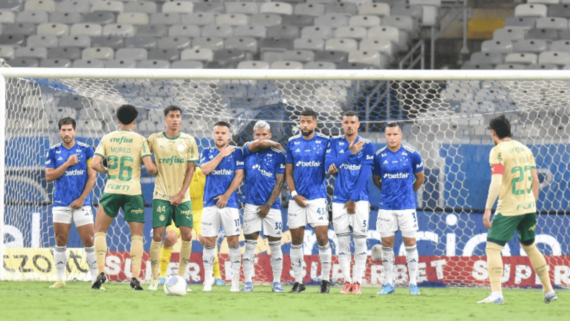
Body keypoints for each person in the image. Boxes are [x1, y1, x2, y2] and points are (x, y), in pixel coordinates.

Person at [478, 115, 557, 304]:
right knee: (530, 246)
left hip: (508, 208)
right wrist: (530, 203)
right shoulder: (525, 149)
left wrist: (488, 208)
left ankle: (496, 294)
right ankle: (549, 291)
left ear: (493, 133)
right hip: (529, 206)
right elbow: (536, 181)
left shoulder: (497, 151)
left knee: (493, 248)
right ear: (510, 131)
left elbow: (496, 181)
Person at [90, 104, 158, 290]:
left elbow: (95, 164)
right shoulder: (140, 140)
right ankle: (135, 276)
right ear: (135, 121)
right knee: (137, 236)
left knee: (100, 231)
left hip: (112, 190)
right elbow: (151, 168)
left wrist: (107, 171)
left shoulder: (107, 138)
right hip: (133, 192)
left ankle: (101, 272)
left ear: (118, 121)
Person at [147, 105, 198, 291]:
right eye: (172, 116)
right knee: (159, 236)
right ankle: (154, 278)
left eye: (178, 116)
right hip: (161, 195)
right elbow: (142, 154)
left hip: (182, 197)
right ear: (165, 119)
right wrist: (151, 167)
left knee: (187, 235)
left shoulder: (189, 140)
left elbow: (191, 169)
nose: (175, 119)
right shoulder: (154, 139)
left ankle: (182, 278)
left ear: (181, 119)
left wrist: (181, 193)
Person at [372, 122, 424, 295]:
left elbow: (420, 178)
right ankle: (388, 283)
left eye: (395, 134)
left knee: (410, 243)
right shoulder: (379, 156)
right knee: (387, 244)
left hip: (407, 207)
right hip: (386, 207)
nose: (392, 138)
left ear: (400, 135)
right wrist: (389, 193)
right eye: (389, 134)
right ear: (385, 136)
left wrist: (408, 193)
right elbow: (376, 179)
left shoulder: (412, 154)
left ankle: (413, 283)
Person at [325, 111, 374, 295]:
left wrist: (353, 198)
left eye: (352, 122)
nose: (349, 125)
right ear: (342, 123)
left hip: (359, 200)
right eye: (346, 122)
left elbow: (365, 173)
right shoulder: (334, 143)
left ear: (358, 124)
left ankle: (358, 282)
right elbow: (328, 167)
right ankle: (347, 282)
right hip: (338, 200)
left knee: (360, 241)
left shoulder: (368, 145)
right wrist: (349, 153)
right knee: (343, 242)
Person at [45, 117, 98, 288]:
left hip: (82, 203)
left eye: (70, 130)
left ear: (75, 131)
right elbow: (49, 176)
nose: (67, 133)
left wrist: (82, 199)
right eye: (63, 130)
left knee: (89, 239)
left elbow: (92, 177)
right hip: (61, 203)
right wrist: (67, 164)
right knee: (60, 239)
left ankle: (95, 279)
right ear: (59, 131)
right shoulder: (53, 151)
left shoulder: (86, 150)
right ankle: (60, 279)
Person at [285, 109, 331, 293]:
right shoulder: (292, 142)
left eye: (308, 121)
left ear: (315, 123)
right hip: (297, 198)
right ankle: (298, 281)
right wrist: (294, 194)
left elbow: (330, 165)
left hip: (318, 197)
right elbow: (288, 172)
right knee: (296, 240)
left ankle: (326, 281)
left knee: (322, 238)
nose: (305, 125)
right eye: (302, 121)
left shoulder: (325, 142)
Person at [157, 167, 226, 286]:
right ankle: (162, 275)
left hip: (198, 213)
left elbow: (213, 190)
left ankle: (217, 276)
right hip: (179, 211)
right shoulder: (174, 174)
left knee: (207, 239)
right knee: (170, 237)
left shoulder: (200, 174)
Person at [241, 121, 286, 293]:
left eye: (264, 135)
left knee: (275, 245)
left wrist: (268, 204)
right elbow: (258, 145)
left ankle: (276, 282)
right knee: (250, 245)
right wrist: (274, 143)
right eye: (258, 135)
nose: (260, 138)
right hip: (251, 204)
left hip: (272, 207)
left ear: (269, 135)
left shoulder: (278, 155)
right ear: (253, 136)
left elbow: (280, 181)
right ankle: (248, 282)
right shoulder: (247, 149)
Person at [200, 121, 244, 292]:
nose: (219, 136)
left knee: (233, 241)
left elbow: (239, 176)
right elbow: (205, 170)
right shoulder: (207, 152)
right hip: (210, 203)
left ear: (228, 135)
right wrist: (221, 155)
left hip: (230, 204)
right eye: (217, 132)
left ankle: (234, 281)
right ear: (213, 135)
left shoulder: (236, 153)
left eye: (223, 133)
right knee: (209, 242)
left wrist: (226, 196)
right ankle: (208, 279)